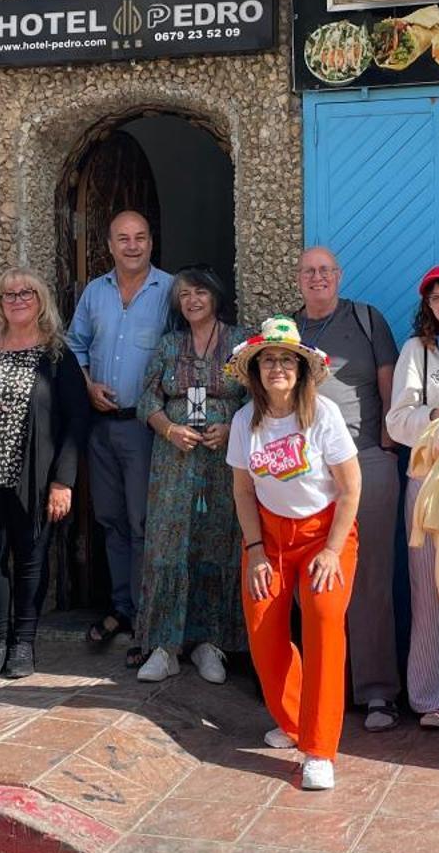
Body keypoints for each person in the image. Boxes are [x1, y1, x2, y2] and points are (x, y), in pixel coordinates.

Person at [226, 317, 361, 792]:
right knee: (263, 632)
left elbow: (350, 488)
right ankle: (296, 723)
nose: (278, 367)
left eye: (287, 359)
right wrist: (256, 549)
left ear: (302, 369)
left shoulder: (322, 414)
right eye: (269, 360)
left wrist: (330, 550)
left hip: (327, 534)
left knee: (324, 621)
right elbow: (243, 491)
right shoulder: (246, 421)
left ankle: (320, 750)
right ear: (256, 370)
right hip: (269, 539)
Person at [0, 268, 93, 679]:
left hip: (35, 478)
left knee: (31, 561)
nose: (18, 300)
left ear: (41, 302)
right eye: (9, 295)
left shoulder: (57, 355)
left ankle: (23, 644)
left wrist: (62, 481)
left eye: (27, 293)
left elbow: (76, 420)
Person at [292, 246, 401, 733]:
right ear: (299, 280)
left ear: (338, 276)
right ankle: (323, 687)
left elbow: (387, 382)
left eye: (325, 271)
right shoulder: (286, 328)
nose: (317, 278)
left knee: (372, 579)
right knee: (314, 584)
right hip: (308, 472)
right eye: (308, 271)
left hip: (364, 460)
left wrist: (385, 445)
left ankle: (377, 692)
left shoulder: (366, 319)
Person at [67, 211, 173, 662]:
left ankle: (149, 621)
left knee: (143, 524)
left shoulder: (169, 290)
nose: (132, 246)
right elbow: (74, 346)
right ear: (109, 245)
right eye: (123, 239)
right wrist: (88, 384)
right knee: (111, 521)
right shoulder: (95, 292)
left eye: (140, 238)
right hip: (101, 428)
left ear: (152, 242)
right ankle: (123, 608)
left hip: (145, 428)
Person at [133, 267, 247, 684]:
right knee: (169, 544)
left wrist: (233, 426)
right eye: (184, 296)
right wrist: (169, 429)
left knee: (216, 542)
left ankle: (209, 644)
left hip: (223, 460)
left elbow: (260, 396)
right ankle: (164, 646)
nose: (193, 301)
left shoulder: (239, 341)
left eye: (200, 292)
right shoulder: (169, 345)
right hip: (174, 462)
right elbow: (147, 398)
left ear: (215, 297)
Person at [384, 264, 439, 731]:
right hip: (430, 484)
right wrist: (437, 415)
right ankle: (431, 697)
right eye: (435, 298)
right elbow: (396, 423)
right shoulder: (416, 352)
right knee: (430, 590)